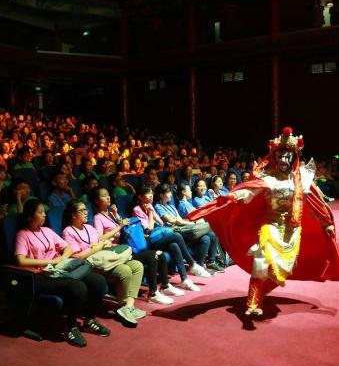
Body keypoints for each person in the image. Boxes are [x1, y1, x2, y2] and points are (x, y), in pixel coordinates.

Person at [188, 127, 339, 316]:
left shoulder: (301, 180)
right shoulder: (268, 178)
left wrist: (326, 223)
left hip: (292, 229)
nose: (283, 160)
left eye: (287, 156)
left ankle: (260, 294)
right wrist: (233, 197)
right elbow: (250, 191)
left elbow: (312, 204)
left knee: (283, 269)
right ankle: (252, 303)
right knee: (260, 262)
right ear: (275, 156)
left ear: (293, 158)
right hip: (270, 225)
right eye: (280, 155)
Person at [15, 199, 110, 347]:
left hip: (60, 270)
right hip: (41, 276)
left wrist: (62, 258)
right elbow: (21, 260)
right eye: (40, 212)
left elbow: (68, 248)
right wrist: (51, 262)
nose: (44, 215)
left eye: (44, 211)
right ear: (29, 216)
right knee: (79, 288)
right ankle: (70, 327)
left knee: (98, 281)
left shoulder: (47, 231)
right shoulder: (23, 234)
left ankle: (89, 320)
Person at [91, 186, 182, 305]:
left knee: (161, 255)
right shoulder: (97, 218)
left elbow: (124, 229)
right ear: (97, 201)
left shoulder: (111, 215)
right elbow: (100, 238)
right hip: (117, 252)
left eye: (108, 194)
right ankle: (153, 294)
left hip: (127, 247)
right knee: (153, 256)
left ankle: (165, 286)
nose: (108, 197)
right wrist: (120, 226)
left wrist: (116, 215)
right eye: (104, 196)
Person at [62, 200, 146, 327]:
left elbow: (102, 242)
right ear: (73, 215)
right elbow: (78, 256)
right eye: (82, 211)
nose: (86, 212)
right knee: (124, 270)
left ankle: (128, 306)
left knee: (137, 266)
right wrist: (98, 247)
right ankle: (122, 305)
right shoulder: (68, 231)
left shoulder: (89, 228)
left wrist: (106, 244)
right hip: (89, 266)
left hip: (105, 261)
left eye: (86, 209)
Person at [132, 185, 200, 291]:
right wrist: (150, 214)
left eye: (151, 193)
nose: (151, 195)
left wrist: (152, 213)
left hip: (158, 237)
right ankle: (192, 264)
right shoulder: (136, 210)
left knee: (174, 245)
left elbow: (160, 222)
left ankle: (184, 279)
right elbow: (149, 229)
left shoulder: (150, 206)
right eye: (148, 193)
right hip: (149, 240)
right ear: (140, 197)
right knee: (176, 236)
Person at [154, 184, 222, 275]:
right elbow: (172, 220)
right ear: (161, 195)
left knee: (209, 237)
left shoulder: (171, 206)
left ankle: (206, 264)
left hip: (184, 229)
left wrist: (190, 222)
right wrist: (190, 223)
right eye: (168, 192)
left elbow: (180, 219)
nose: (170, 194)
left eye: (170, 192)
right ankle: (198, 266)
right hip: (174, 231)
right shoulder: (158, 207)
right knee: (207, 232)